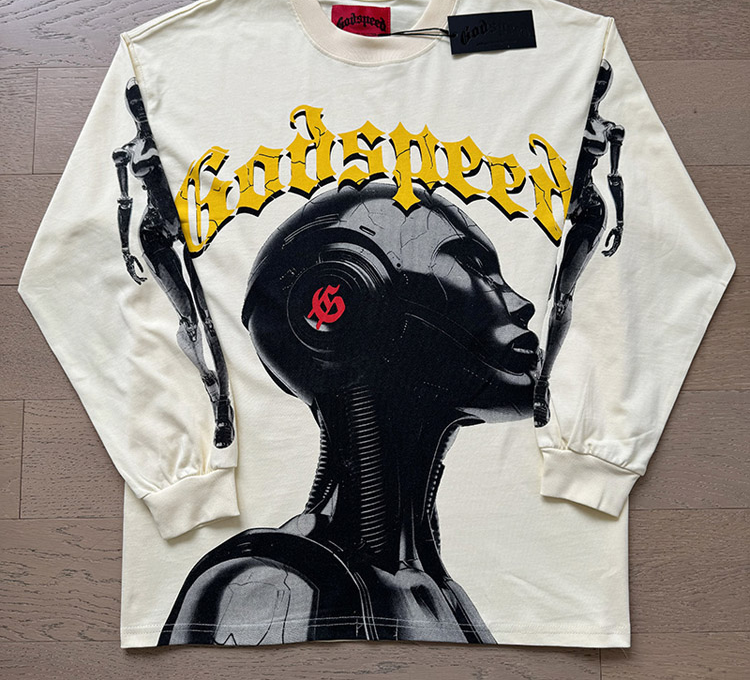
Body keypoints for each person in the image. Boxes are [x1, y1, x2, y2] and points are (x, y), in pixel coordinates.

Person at [159, 181, 542, 645]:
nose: (523, 304)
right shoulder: (271, 584)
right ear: (351, 293)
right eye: (475, 267)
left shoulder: (443, 595)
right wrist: (177, 489)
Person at [112, 77, 235, 448]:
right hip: (153, 235)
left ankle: (223, 409)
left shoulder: (181, 130)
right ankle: (210, 387)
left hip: (192, 228)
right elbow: (125, 202)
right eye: (132, 102)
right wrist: (125, 249)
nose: (138, 107)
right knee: (190, 320)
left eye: (141, 100)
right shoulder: (127, 152)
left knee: (210, 317)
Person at [533, 59, 625, 427]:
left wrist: (620, 222)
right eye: (593, 81)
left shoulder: (610, 129)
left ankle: (543, 383)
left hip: (588, 210)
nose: (597, 88)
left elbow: (614, 178)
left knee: (562, 296)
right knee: (532, 284)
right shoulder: (555, 109)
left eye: (603, 83)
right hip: (549, 201)